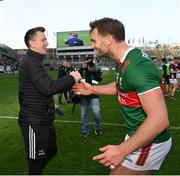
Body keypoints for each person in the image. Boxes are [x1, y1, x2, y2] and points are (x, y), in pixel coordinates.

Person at [73, 17, 172, 175]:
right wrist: (92, 90)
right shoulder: (124, 60)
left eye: (94, 40)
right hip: (138, 135)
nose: (93, 46)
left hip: (150, 143)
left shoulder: (137, 67)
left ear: (109, 39)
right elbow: (122, 85)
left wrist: (122, 149)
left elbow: (160, 120)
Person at [18, 27, 81, 175]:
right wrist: (72, 77)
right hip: (34, 122)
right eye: (43, 39)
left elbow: (42, 88)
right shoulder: (31, 61)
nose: (47, 42)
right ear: (32, 43)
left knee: (51, 151)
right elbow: (49, 87)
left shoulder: (36, 61)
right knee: (36, 164)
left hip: (44, 119)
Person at [78, 60, 103, 137]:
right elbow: (76, 78)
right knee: (83, 114)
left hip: (94, 94)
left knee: (96, 113)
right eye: (87, 64)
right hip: (83, 95)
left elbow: (99, 79)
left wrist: (93, 71)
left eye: (90, 64)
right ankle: (85, 130)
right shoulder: (81, 70)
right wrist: (82, 68)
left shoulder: (96, 70)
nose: (88, 65)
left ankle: (97, 127)